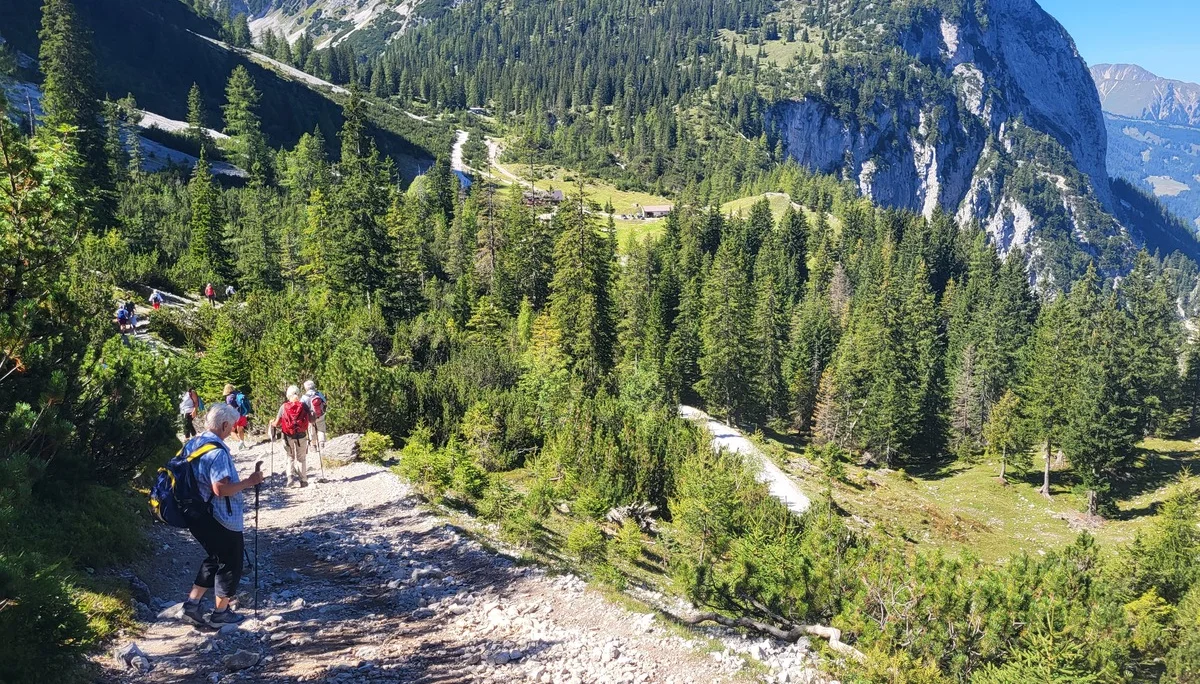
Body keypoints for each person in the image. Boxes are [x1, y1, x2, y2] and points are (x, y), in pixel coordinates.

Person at [179, 404, 264, 627]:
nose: (232, 431)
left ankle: (192, 606)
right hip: (218, 516)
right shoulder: (217, 451)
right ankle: (221, 613)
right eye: (232, 427)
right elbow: (220, 489)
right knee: (230, 561)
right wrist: (249, 482)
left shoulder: (195, 443)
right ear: (224, 425)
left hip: (194, 512)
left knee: (215, 557)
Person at [270, 385, 313, 488]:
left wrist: (271, 423)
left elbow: (277, 423)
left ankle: (290, 478)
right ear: (298, 393)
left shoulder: (283, 407)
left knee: (290, 457)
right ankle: (303, 480)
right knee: (301, 458)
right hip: (301, 435)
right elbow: (312, 420)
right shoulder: (303, 406)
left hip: (287, 436)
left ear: (288, 395)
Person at [301, 380, 328, 451]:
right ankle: (322, 444)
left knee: (311, 431)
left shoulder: (304, 397)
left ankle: (314, 446)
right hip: (320, 415)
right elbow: (325, 401)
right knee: (321, 430)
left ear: (306, 388)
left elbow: (301, 407)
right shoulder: (319, 394)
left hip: (310, 416)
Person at [223, 383, 250, 450]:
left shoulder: (229, 397)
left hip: (235, 416)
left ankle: (240, 442)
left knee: (231, 431)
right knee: (240, 429)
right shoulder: (238, 394)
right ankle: (243, 444)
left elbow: (229, 407)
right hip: (242, 415)